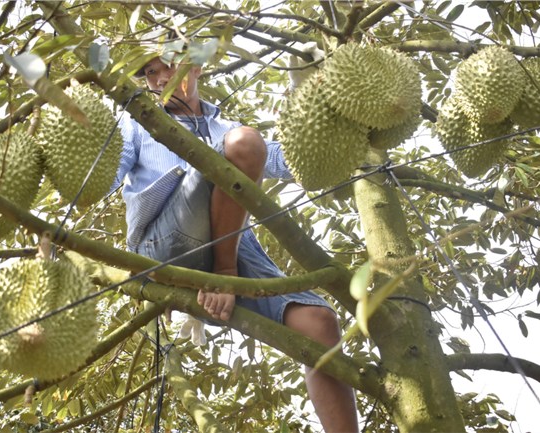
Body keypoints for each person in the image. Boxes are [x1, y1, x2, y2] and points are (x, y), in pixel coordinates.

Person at [114, 51, 359, 433]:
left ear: (195, 67)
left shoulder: (225, 128)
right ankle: (222, 275)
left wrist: (341, 117)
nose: (159, 79)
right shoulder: (137, 123)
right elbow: (106, 178)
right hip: (165, 243)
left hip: (229, 246)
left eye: (169, 67)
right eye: (149, 73)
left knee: (319, 323)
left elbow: (292, 158)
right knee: (241, 144)